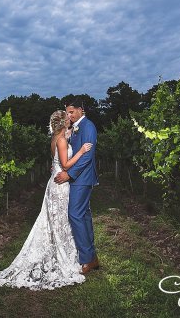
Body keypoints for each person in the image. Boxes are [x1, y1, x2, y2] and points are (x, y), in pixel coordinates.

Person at [0, 110, 93, 292]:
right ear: (63, 123)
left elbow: (56, 160)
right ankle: (63, 256)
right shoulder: (62, 140)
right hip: (60, 185)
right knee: (61, 221)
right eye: (67, 117)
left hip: (53, 182)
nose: (70, 119)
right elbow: (65, 165)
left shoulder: (55, 138)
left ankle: (62, 251)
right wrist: (81, 151)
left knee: (55, 221)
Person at [54, 98, 99, 275]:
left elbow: (87, 156)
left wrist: (69, 174)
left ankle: (87, 259)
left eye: (72, 112)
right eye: (67, 113)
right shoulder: (74, 128)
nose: (69, 116)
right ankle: (92, 257)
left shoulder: (88, 126)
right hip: (77, 178)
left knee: (75, 214)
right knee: (84, 215)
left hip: (82, 178)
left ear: (81, 110)